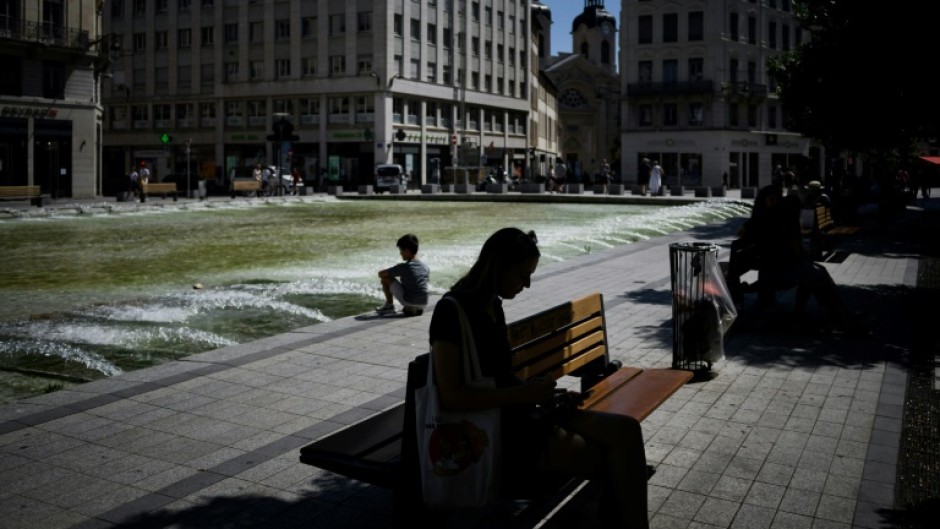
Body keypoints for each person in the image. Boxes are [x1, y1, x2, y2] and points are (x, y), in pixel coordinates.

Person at [429, 227, 650, 527]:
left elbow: (500, 376)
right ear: (498, 267)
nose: (528, 284)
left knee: (626, 430)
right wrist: (525, 395)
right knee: (617, 461)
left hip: (520, 415)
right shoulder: (451, 311)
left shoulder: (492, 305)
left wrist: (542, 394)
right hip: (496, 434)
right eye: (522, 275)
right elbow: (451, 396)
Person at [738, 185, 859, 331]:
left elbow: (741, 232)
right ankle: (842, 317)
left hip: (769, 270)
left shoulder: (761, 217)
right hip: (779, 272)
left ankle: (830, 314)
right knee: (818, 274)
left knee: (816, 272)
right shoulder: (787, 216)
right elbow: (797, 251)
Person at [377, 234, 430, 317]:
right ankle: (415, 309)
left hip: (410, 302)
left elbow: (381, 274)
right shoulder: (425, 266)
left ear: (407, 251)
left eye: (401, 250)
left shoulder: (405, 267)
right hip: (424, 303)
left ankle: (389, 306)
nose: (400, 253)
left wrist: (396, 269)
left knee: (385, 277)